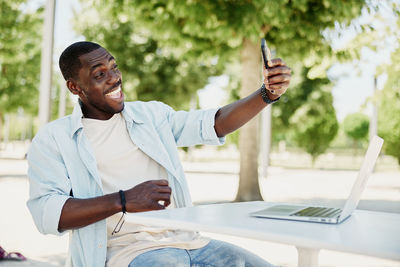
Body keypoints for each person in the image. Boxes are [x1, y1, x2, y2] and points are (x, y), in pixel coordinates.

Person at [27, 41, 291, 267]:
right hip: (126, 253)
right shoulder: (54, 139)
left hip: (191, 242)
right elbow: (48, 213)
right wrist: (122, 200)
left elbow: (215, 122)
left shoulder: (151, 115)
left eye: (114, 67)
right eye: (99, 74)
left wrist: (266, 94)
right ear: (75, 88)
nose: (114, 78)